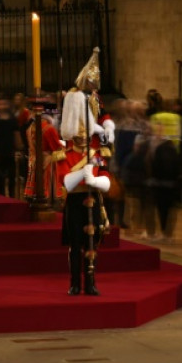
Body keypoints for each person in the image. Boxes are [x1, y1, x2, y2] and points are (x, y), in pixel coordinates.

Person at [58, 126, 111, 296]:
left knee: (92, 244)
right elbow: (65, 181)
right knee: (75, 245)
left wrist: (95, 181)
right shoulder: (64, 155)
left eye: (85, 134)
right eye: (78, 134)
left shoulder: (97, 155)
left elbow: (106, 179)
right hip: (74, 202)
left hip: (93, 200)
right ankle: (74, 284)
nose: (82, 137)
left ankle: (90, 283)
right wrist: (82, 174)